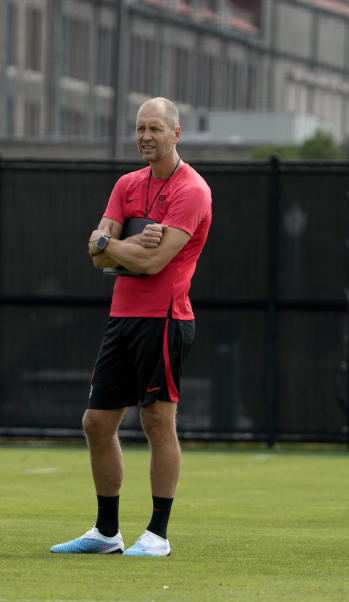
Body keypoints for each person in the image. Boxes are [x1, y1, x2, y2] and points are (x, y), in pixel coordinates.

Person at [50, 97, 212, 557]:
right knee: (96, 422)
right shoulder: (126, 184)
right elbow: (96, 254)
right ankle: (106, 533)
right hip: (121, 318)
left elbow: (155, 260)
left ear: (175, 134)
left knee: (157, 420)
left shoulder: (192, 191)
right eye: (140, 128)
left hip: (165, 319)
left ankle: (157, 535)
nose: (145, 136)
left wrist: (114, 242)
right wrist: (119, 243)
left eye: (155, 129)